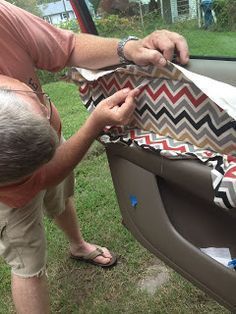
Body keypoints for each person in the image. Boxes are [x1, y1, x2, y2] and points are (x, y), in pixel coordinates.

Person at [0, 0, 189, 313]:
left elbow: (67, 45)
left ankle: (78, 245)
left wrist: (129, 48)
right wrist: (94, 125)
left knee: (60, 198)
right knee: (28, 263)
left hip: (30, 147)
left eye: (30, 94)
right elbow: (43, 176)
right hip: (9, 195)